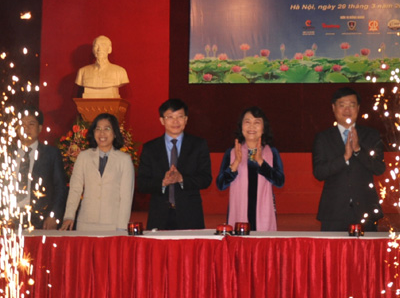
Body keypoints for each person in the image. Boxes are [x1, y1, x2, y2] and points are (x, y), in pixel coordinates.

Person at [312, 87, 386, 232]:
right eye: (342, 105)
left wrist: (358, 150)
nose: (347, 110)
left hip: (366, 210)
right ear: (333, 108)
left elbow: (379, 168)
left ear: (358, 108)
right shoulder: (323, 138)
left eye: (352, 105)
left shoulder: (371, 135)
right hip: (333, 212)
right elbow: (319, 172)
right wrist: (344, 157)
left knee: (367, 247)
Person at [0, 107, 68, 230]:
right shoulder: (5, 154)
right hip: (7, 219)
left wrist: (54, 215)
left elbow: (60, 188)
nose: (26, 128)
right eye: (22, 124)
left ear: (40, 128)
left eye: (31, 124)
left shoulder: (51, 154)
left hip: (40, 220)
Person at [137, 99, 211, 230]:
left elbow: (206, 179)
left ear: (186, 119)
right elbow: (142, 183)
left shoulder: (198, 145)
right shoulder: (150, 148)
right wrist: (162, 182)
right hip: (159, 215)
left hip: (190, 215)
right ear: (162, 120)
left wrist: (182, 179)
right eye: (170, 117)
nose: (175, 121)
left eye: (180, 117)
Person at [60, 113, 134, 232]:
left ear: (115, 133)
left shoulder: (124, 160)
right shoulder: (84, 157)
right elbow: (75, 189)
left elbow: (126, 197)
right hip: (86, 223)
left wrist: (122, 227)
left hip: (113, 224)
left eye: (107, 129)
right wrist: (69, 215)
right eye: (98, 129)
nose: (102, 133)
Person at [216, 107, 285, 231]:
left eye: (257, 122)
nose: (251, 126)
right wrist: (236, 163)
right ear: (241, 126)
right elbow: (221, 185)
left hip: (264, 217)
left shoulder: (272, 152)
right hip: (238, 216)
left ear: (263, 128)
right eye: (247, 122)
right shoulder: (231, 153)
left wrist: (261, 162)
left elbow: (280, 182)